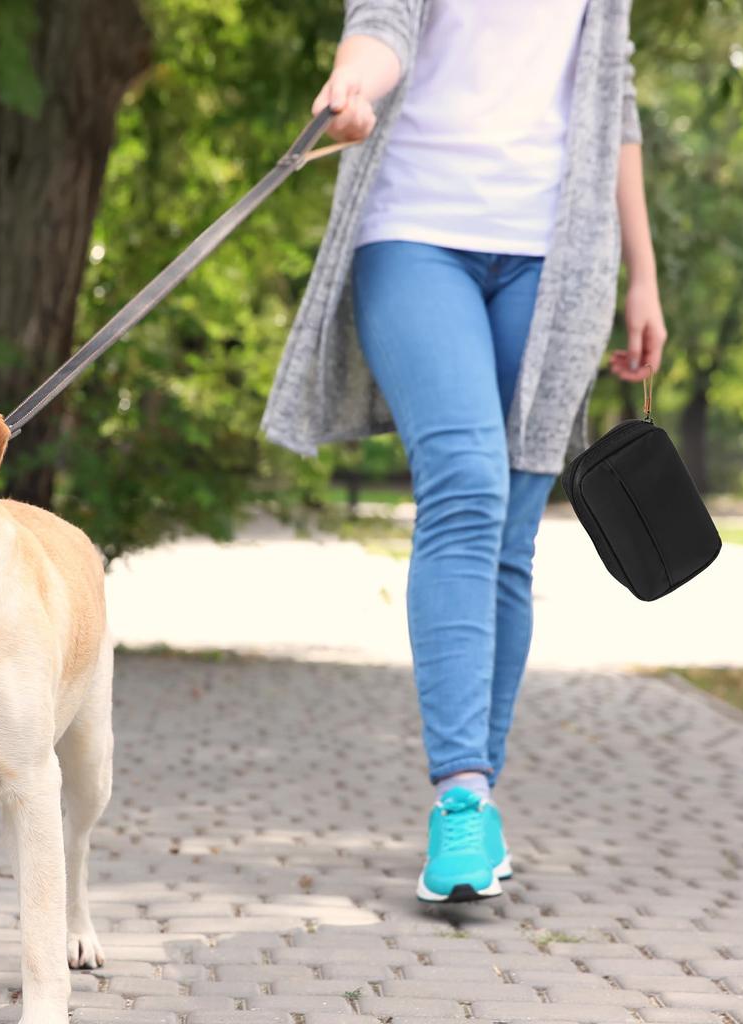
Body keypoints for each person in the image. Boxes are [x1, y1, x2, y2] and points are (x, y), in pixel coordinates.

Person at [261, 0, 668, 903]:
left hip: (558, 258)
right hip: (414, 232)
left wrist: (643, 274)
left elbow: (615, 92)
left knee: (512, 537)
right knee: (466, 488)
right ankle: (460, 798)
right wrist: (354, 86)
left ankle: (479, 800)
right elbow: (383, 22)